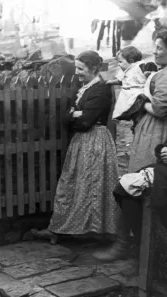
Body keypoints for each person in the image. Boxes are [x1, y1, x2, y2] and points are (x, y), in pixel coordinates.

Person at [93, 76, 167, 262]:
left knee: (131, 189)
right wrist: (164, 151)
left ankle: (141, 245)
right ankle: (139, 242)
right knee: (124, 187)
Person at [31, 51, 119, 244]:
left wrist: (74, 116)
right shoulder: (85, 88)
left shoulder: (101, 90)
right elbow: (69, 116)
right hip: (82, 141)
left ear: (94, 69)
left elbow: (86, 121)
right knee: (72, 184)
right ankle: (61, 229)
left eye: (81, 68)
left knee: (92, 184)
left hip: (95, 140)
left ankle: (95, 231)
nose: (77, 72)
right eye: (76, 68)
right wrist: (73, 115)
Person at [128, 30, 167, 173]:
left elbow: (159, 110)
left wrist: (140, 101)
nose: (154, 52)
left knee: (147, 169)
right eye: (155, 47)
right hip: (159, 126)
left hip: (160, 129)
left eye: (159, 48)